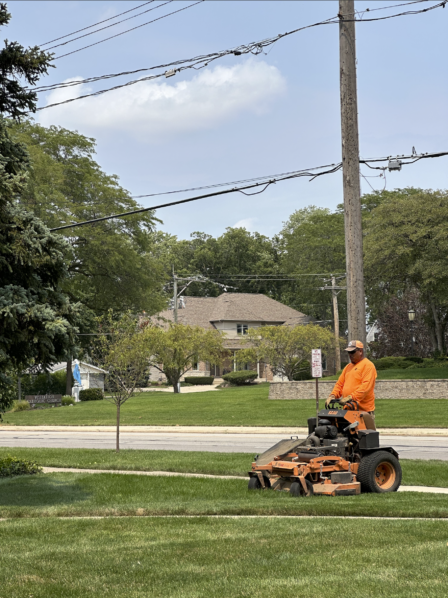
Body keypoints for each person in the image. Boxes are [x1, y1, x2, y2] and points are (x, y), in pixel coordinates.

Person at [325, 340, 377, 418]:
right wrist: (333, 395)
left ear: (360, 351)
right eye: (348, 352)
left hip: (363, 412)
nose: (350, 354)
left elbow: (365, 387)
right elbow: (340, 384)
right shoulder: (348, 367)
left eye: (352, 352)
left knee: (364, 431)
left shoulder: (368, 366)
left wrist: (351, 397)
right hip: (348, 410)